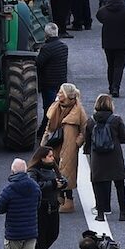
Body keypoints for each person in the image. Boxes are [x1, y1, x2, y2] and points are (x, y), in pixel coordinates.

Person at [40, 83, 87, 214]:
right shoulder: (56, 107)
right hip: (55, 144)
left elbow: (85, 129)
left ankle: (69, 201)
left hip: (69, 146)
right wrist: (44, 142)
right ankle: (59, 197)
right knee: (55, 169)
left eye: (61, 92)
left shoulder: (78, 110)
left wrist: (77, 142)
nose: (58, 94)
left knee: (67, 172)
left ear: (66, 95)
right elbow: (49, 127)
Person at [85, 94, 125, 222]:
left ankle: (100, 213)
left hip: (97, 157)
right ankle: (123, 212)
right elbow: (124, 138)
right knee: (119, 184)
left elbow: (87, 141)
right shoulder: (116, 119)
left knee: (98, 184)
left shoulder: (91, 121)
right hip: (114, 156)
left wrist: (89, 151)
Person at [27, 146, 66, 249]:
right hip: (41, 207)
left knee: (53, 234)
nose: (52, 158)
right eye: (49, 156)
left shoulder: (54, 168)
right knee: (41, 236)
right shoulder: (33, 171)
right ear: (42, 157)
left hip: (53, 206)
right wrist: (53, 184)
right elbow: (34, 187)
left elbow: (60, 178)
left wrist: (62, 182)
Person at [96, 0, 125, 97]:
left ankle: (111, 86)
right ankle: (116, 87)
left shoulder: (104, 10)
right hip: (123, 42)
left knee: (110, 65)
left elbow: (99, 16)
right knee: (119, 66)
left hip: (108, 42)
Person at [35, 24, 69, 124]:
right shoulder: (64, 47)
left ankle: (45, 129)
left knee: (49, 108)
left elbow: (39, 63)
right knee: (60, 106)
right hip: (61, 81)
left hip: (48, 83)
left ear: (46, 34)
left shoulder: (47, 48)